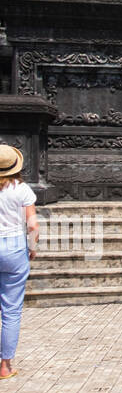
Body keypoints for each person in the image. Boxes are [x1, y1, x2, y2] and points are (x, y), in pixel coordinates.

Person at [0, 145, 37, 380]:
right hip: (14, 247)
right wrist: (32, 248)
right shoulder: (22, 190)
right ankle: (5, 366)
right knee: (11, 310)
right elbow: (32, 225)